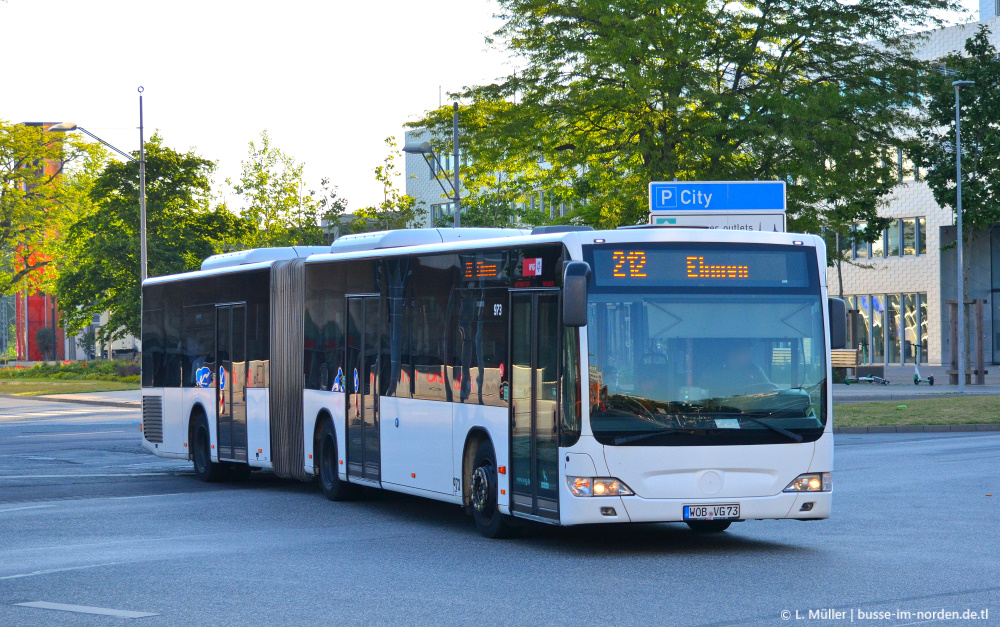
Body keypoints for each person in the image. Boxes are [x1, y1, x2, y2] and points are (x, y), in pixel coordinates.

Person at [701, 340, 774, 398]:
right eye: (745, 352)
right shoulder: (713, 372)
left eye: (749, 351)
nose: (749, 355)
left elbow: (769, 391)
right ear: (733, 353)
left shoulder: (755, 370)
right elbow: (701, 396)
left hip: (752, 412)